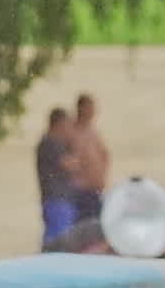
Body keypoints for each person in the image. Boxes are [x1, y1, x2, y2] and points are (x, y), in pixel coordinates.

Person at [36, 108, 80, 247]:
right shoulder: (50, 143)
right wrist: (75, 143)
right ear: (59, 124)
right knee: (59, 240)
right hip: (56, 199)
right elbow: (71, 165)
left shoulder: (55, 144)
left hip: (59, 199)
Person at [68, 92, 110, 221]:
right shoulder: (71, 131)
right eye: (89, 108)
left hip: (96, 190)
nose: (93, 111)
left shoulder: (93, 131)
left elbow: (104, 155)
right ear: (80, 108)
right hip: (80, 191)